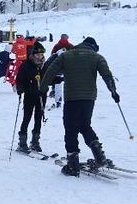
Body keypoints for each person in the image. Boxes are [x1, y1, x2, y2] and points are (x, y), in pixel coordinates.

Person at [40, 36, 119, 176]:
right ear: (93, 47)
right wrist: (113, 92)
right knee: (85, 125)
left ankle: (73, 164)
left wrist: (43, 88)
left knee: (70, 128)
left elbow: (50, 71)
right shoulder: (97, 57)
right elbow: (107, 75)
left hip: (71, 98)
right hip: (89, 98)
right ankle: (100, 156)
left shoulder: (66, 55)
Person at [15, 42, 47, 152]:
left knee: (38, 118)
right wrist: (20, 88)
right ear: (33, 55)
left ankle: (35, 141)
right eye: (38, 54)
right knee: (27, 118)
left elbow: (48, 79)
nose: (40, 56)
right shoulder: (26, 65)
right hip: (30, 95)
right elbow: (19, 80)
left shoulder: (44, 65)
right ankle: (22, 142)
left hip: (41, 96)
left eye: (42, 54)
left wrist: (58, 79)